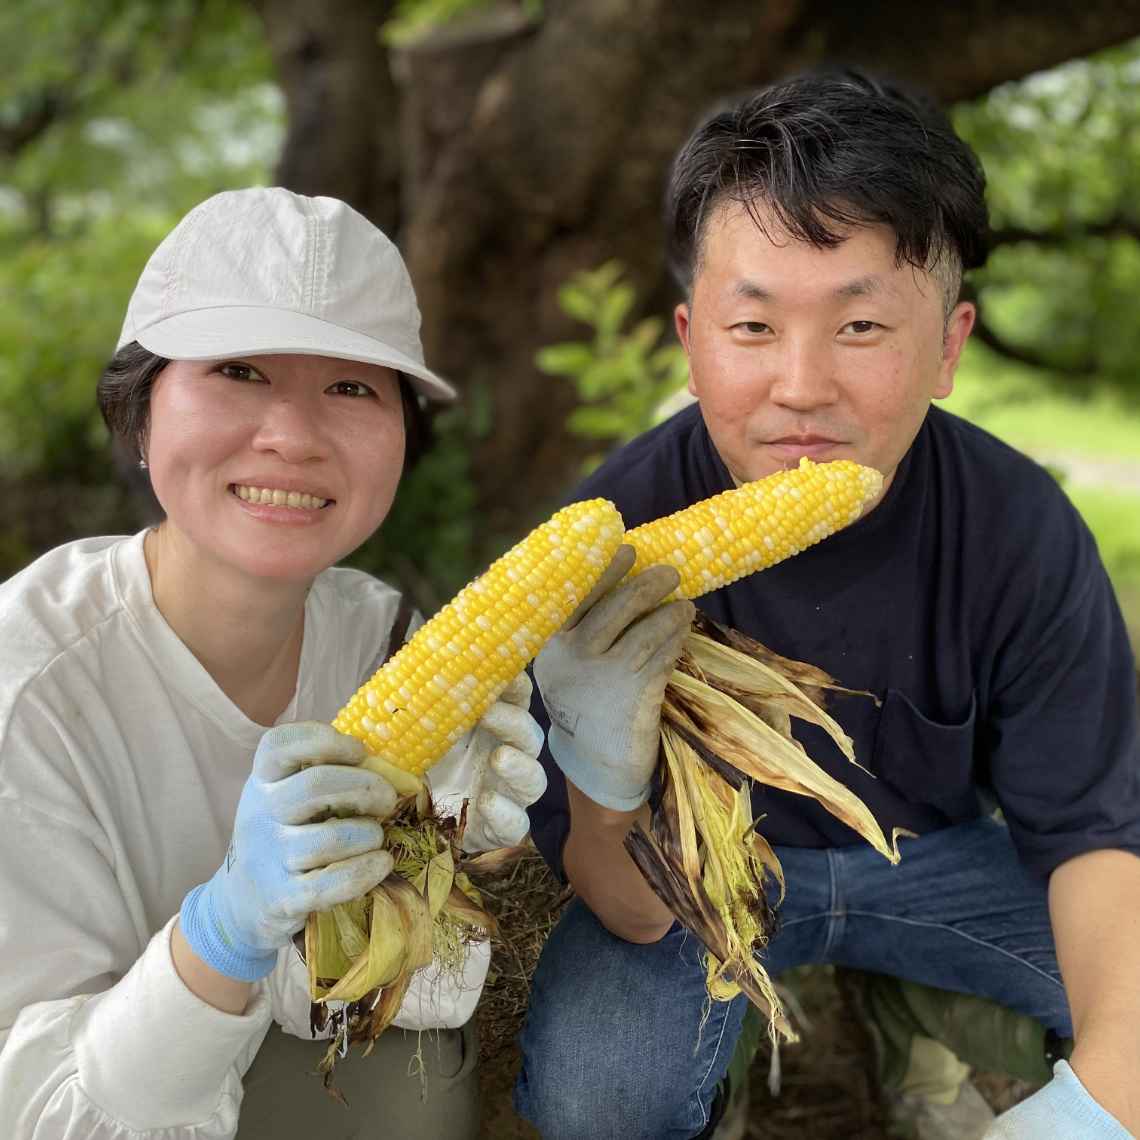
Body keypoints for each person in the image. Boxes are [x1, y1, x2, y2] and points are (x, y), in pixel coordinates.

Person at [516, 70, 1140, 1140]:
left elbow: (1093, 837)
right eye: (754, 327)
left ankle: (923, 1022)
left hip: (948, 863)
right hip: (699, 879)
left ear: (949, 347)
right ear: (690, 341)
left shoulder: (1018, 528)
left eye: (860, 326)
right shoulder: (609, 535)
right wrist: (605, 783)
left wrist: (1104, 1103)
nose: (801, 388)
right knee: (594, 1097)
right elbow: (621, 899)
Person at [0, 187, 548, 1139]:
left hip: (265, 1079)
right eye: (239, 371)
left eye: (352, 388)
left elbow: (407, 1005)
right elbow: (41, 1111)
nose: (292, 436)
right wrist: (224, 931)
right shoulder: (27, 690)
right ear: (138, 412)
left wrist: (442, 869)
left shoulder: (383, 637)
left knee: (409, 1090)